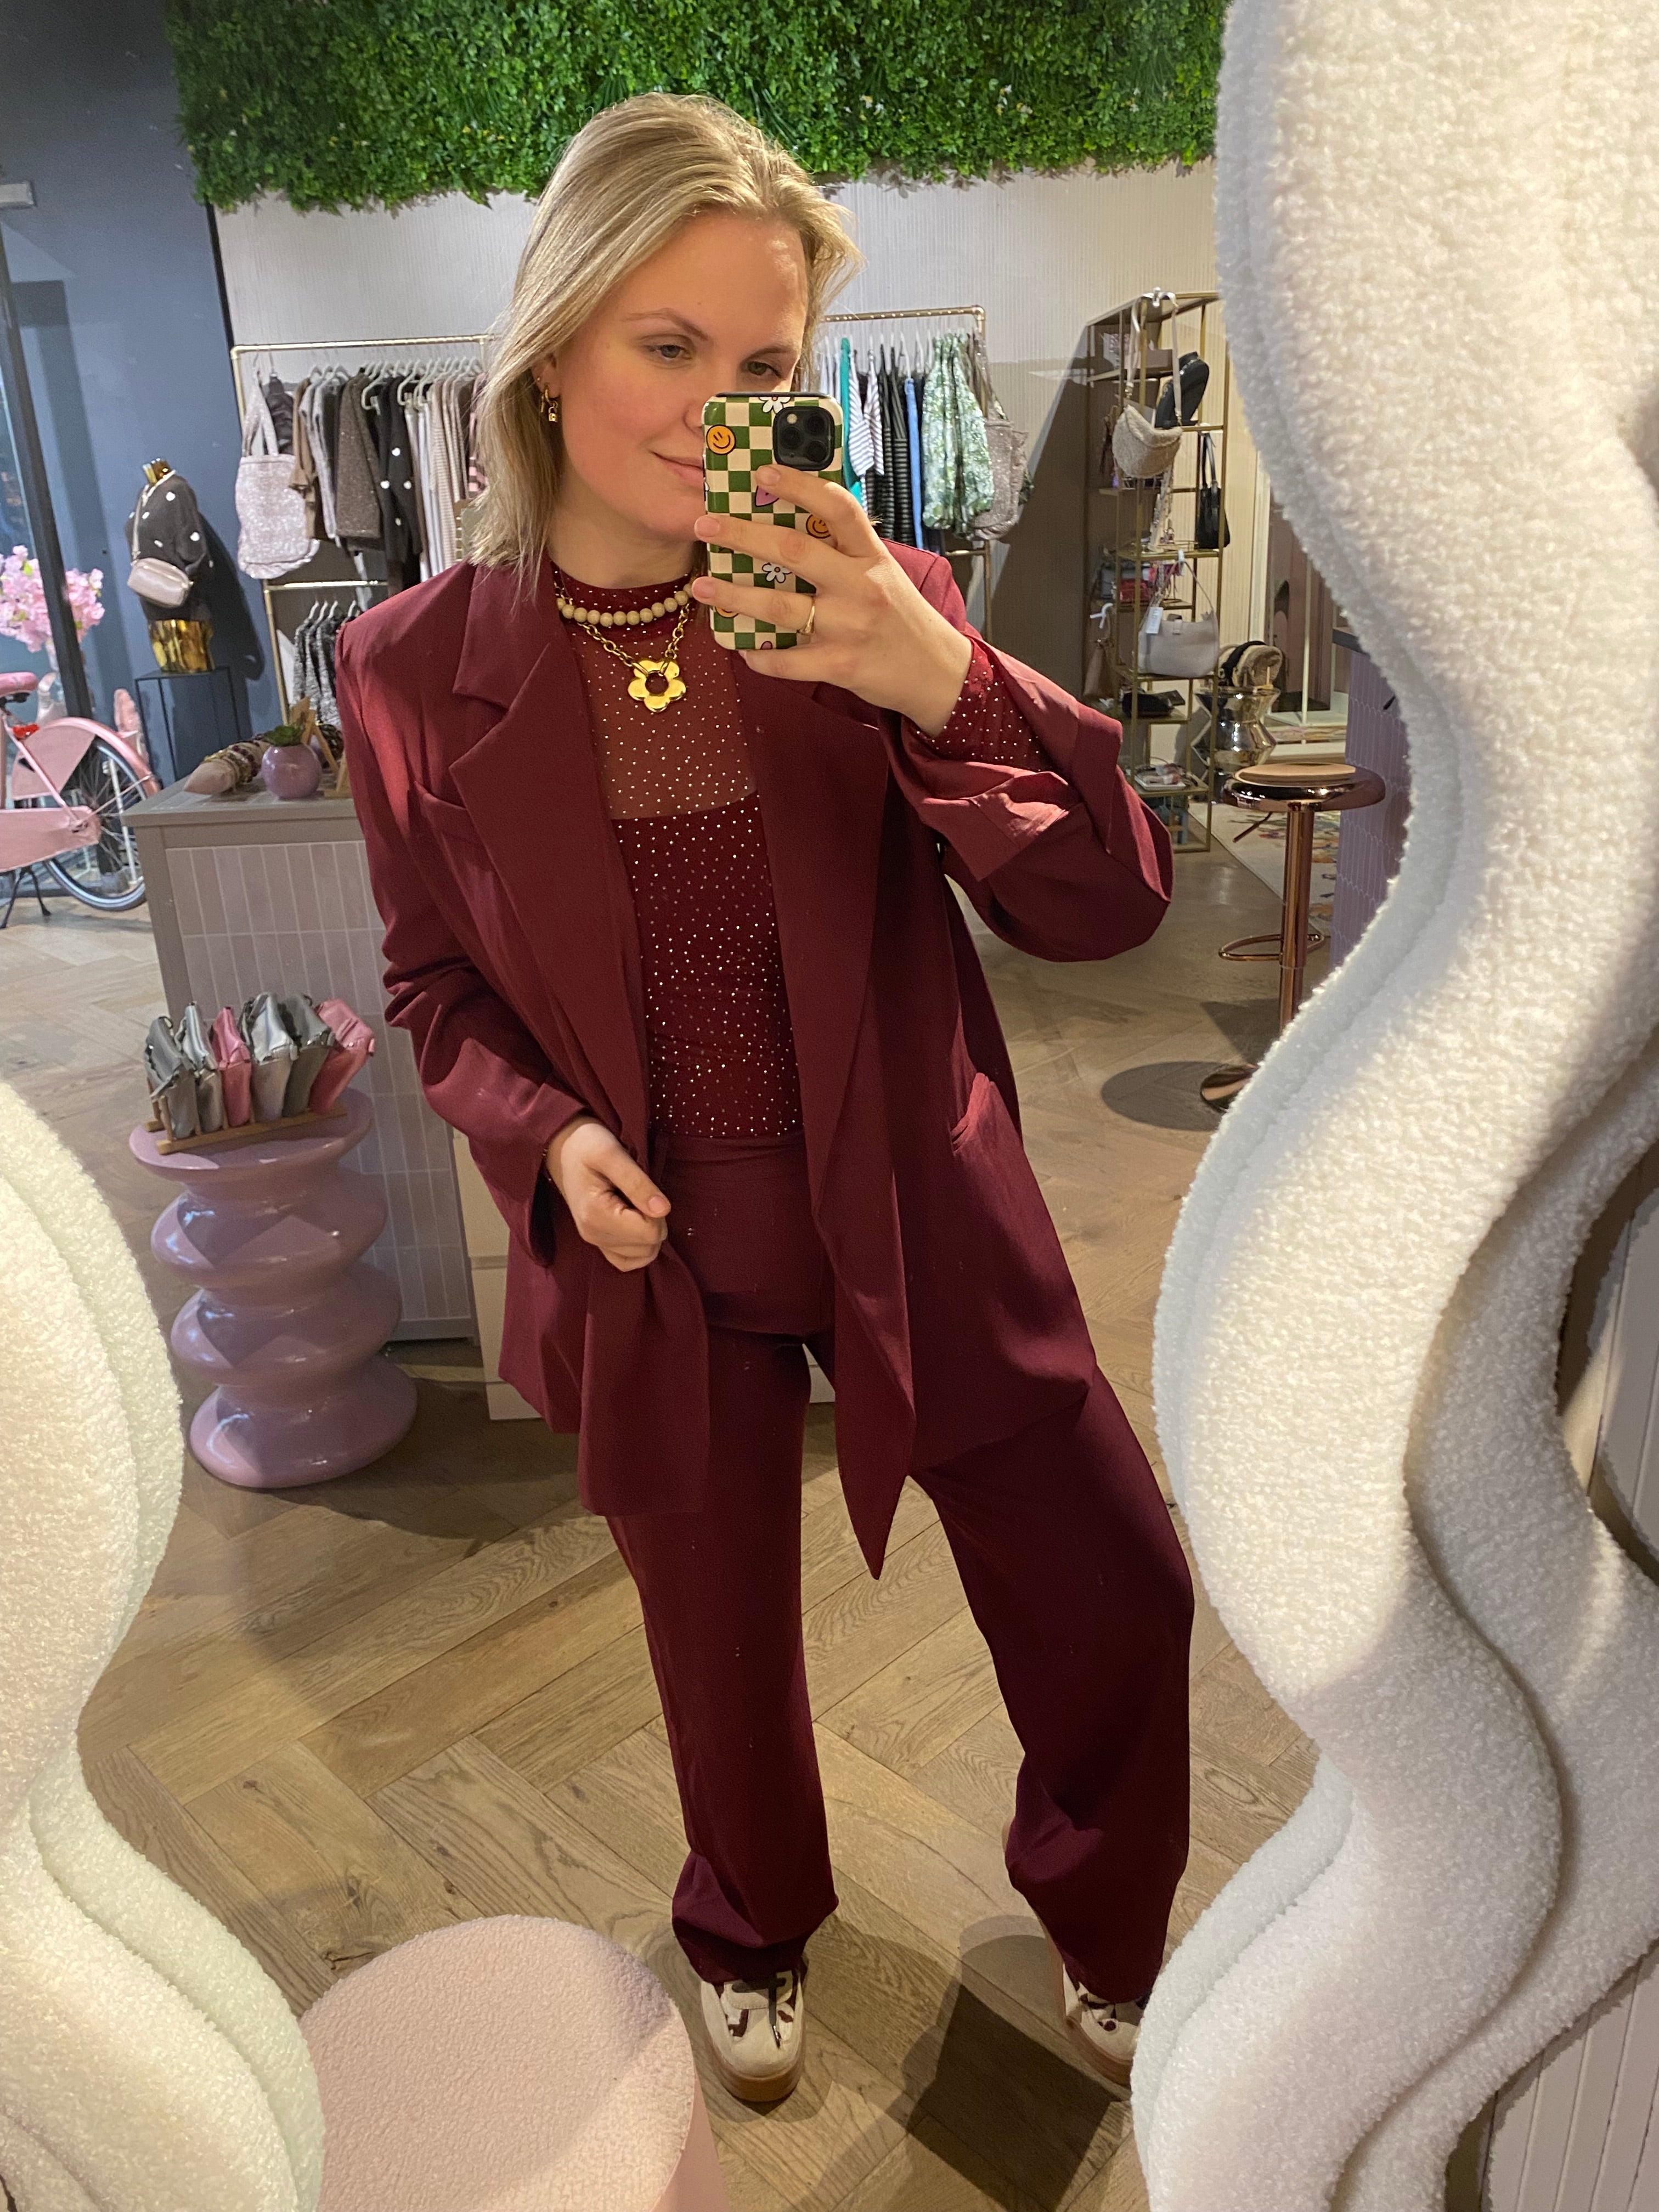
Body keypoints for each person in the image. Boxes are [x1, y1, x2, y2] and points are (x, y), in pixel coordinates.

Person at [338, 91, 1194, 2107]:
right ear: (555, 350)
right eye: (670, 345)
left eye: (765, 367)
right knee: (711, 1634)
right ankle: (748, 1922)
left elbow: (1110, 901)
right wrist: (545, 1136)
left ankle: (1110, 1921)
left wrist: (938, 679)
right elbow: (433, 985)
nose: (719, 408)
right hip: (659, 1247)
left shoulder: (871, 599)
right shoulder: (409, 669)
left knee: (1114, 1583)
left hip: (914, 1197)